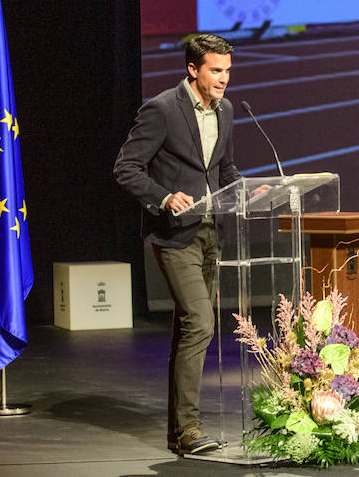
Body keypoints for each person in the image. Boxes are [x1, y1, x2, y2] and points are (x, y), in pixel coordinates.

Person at [113, 33, 239, 455]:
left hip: (211, 235)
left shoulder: (227, 111)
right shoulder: (163, 110)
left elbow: (224, 169)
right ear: (193, 69)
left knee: (193, 326)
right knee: (200, 323)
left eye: (227, 70)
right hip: (175, 235)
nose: (223, 78)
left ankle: (178, 431)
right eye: (215, 70)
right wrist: (164, 196)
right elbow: (126, 168)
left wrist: (249, 192)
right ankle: (189, 427)